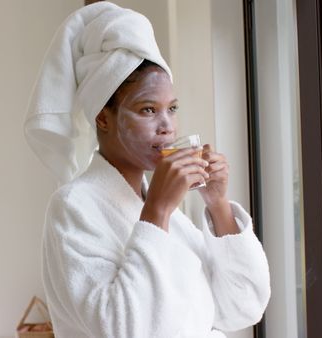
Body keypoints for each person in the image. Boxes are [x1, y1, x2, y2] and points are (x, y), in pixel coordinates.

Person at [24, 2, 270, 338]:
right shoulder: (73, 207)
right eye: (148, 109)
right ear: (103, 117)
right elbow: (127, 328)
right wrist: (158, 209)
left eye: (172, 108)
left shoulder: (168, 216)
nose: (166, 126)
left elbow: (241, 308)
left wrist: (218, 204)